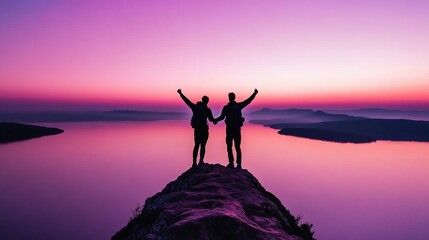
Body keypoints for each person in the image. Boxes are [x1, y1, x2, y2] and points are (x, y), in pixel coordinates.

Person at [216, 89, 258, 169]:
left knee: (232, 146)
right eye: (230, 96)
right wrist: (254, 94)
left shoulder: (229, 107)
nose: (230, 98)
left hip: (232, 129)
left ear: (231, 98)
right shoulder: (235, 106)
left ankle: (234, 163)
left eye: (231, 97)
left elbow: (221, 117)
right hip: (234, 129)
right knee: (235, 147)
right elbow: (248, 101)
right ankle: (236, 164)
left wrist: (215, 120)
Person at [178, 89, 216, 167]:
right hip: (204, 130)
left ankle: (194, 162)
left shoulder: (195, 108)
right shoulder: (207, 110)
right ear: (207, 101)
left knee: (196, 145)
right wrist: (216, 120)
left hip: (198, 129)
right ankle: (200, 161)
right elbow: (211, 119)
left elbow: (187, 101)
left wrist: (180, 93)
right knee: (202, 146)